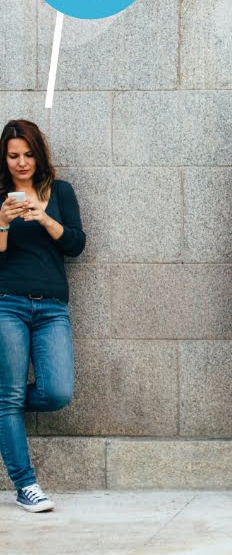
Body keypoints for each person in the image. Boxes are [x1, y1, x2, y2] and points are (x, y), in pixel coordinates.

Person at [0, 120, 85, 512]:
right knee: (10, 396)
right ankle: (25, 484)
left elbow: (76, 245)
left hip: (51, 307)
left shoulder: (61, 192)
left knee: (56, 392)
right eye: (14, 155)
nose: (22, 163)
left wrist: (44, 217)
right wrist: (3, 222)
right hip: (7, 303)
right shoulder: (0, 195)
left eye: (28, 154)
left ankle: (4, 408)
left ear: (39, 153)